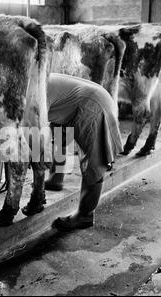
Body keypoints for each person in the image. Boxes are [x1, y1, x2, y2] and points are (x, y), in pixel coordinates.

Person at [44, 73, 123, 231]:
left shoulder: (31, 90)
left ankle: (85, 215)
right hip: (88, 98)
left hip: (93, 105)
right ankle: (56, 178)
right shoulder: (35, 80)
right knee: (58, 134)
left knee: (93, 161)